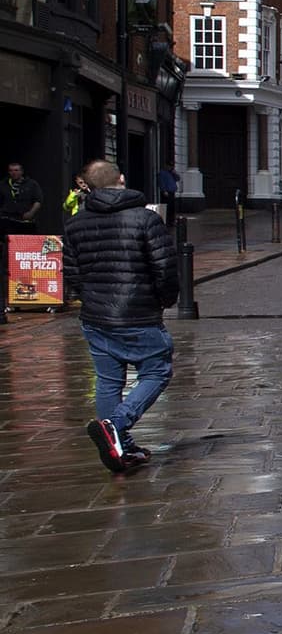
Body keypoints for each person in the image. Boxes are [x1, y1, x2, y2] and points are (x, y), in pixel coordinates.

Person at [59, 160, 178, 473]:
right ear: (121, 179)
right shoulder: (146, 219)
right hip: (138, 313)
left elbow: (70, 272)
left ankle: (119, 445)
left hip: (96, 316)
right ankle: (116, 425)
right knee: (157, 371)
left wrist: (90, 298)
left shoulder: (75, 224)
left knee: (109, 380)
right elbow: (165, 267)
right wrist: (165, 301)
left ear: (88, 186)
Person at [3, 161, 41, 227]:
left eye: (16, 170)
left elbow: (38, 200)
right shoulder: (3, 184)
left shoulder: (31, 184)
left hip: (25, 219)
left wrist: (31, 213)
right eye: (11, 170)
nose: (13, 173)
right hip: (6, 219)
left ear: (22, 172)